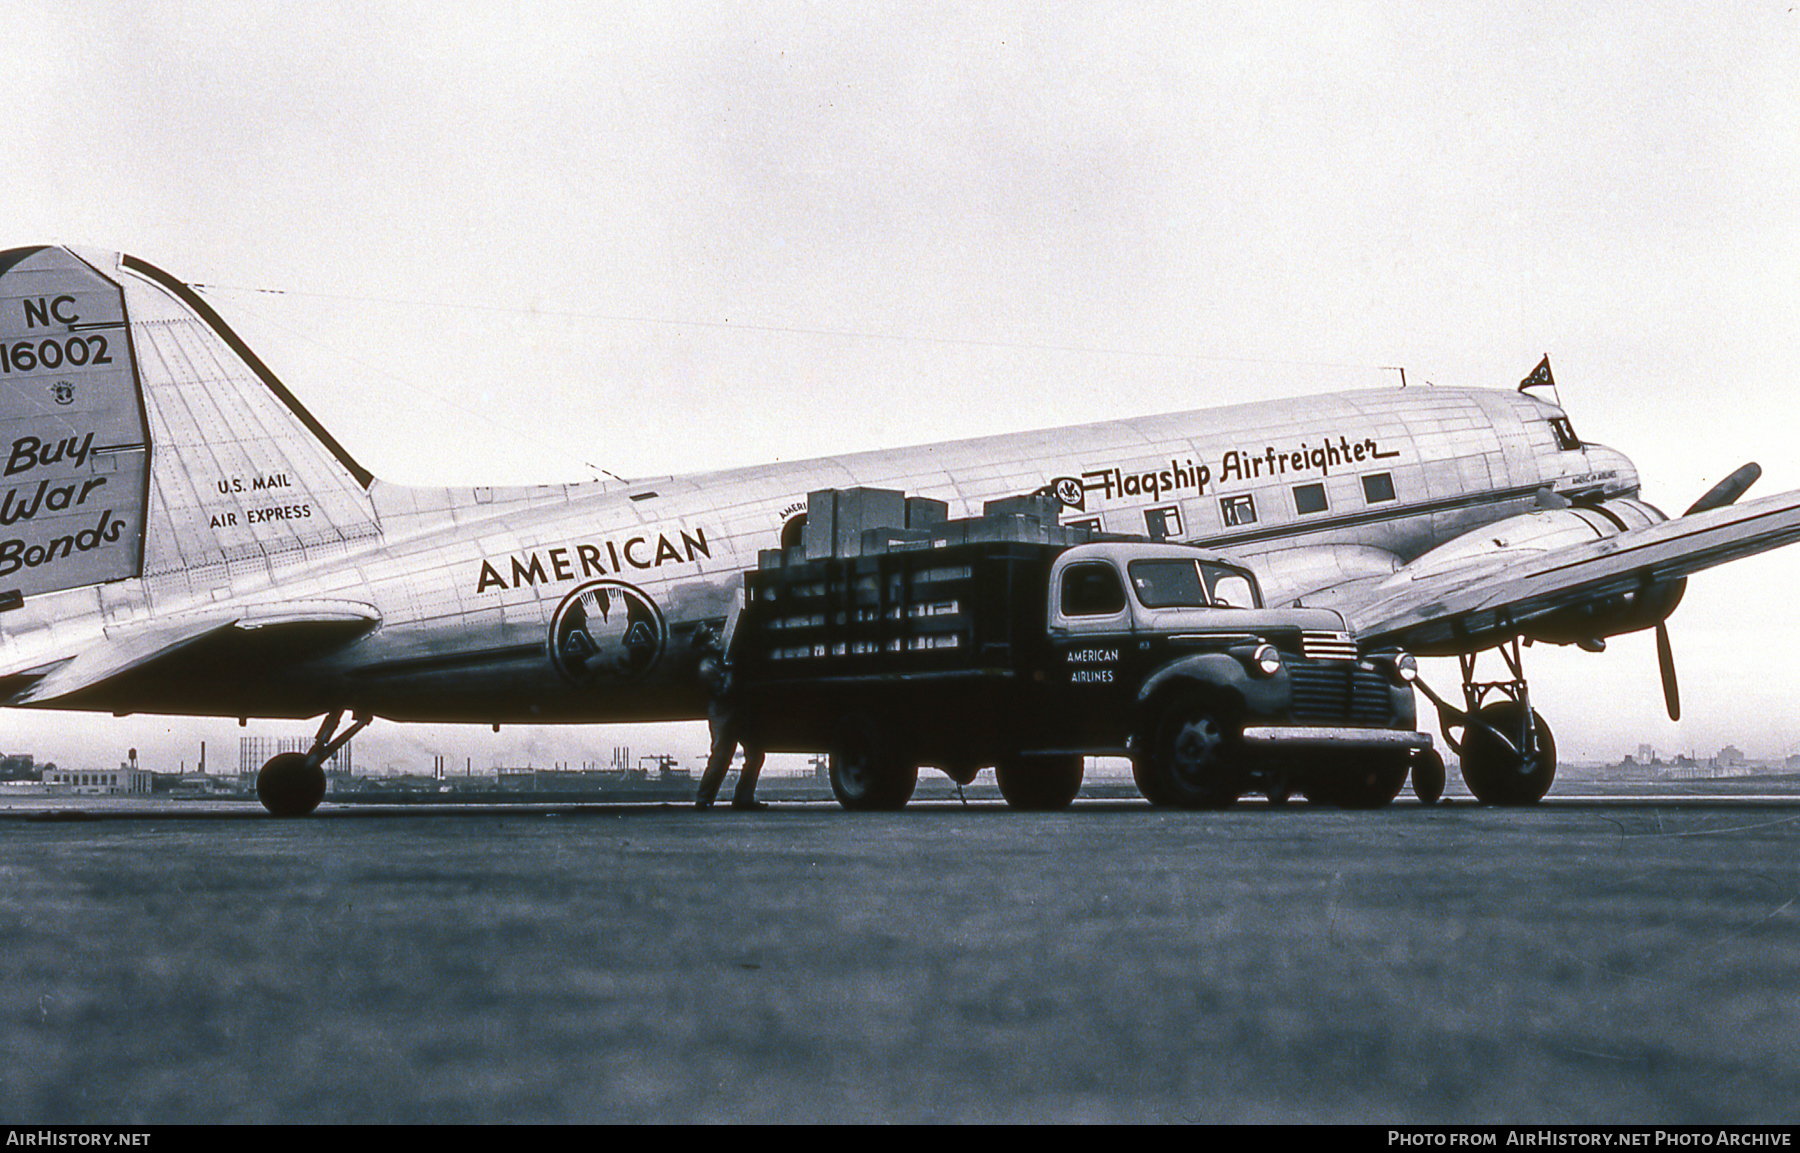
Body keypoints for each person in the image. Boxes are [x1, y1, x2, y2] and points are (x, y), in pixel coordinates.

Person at [694, 629, 765, 810]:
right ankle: (703, 799)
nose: (716, 639)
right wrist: (733, 671)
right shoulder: (706, 668)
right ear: (703, 646)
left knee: (755, 753)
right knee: (720, 756)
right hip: (722, 713)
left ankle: (742, 798)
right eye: (711, 638)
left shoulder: (717, 662)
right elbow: (724, 692)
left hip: (733, 711)